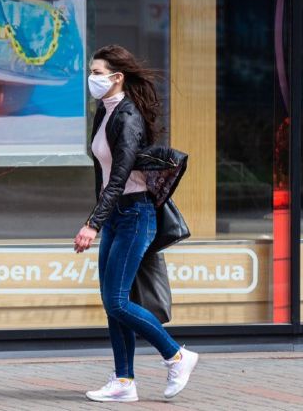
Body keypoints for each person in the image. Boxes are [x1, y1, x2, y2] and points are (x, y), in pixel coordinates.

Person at [73, 44, 198, 402]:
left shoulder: (127, 117)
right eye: (91, 72)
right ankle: (124, 382)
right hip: (117, 214)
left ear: (117, 77)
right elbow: (104, 175)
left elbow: (119, 177)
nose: (92, 78)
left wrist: (92, 223)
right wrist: (102, 217)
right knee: (114, 302)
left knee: (116, 302)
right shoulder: (105, 110)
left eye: (97, 73)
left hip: (134, 214)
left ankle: (176, 356)